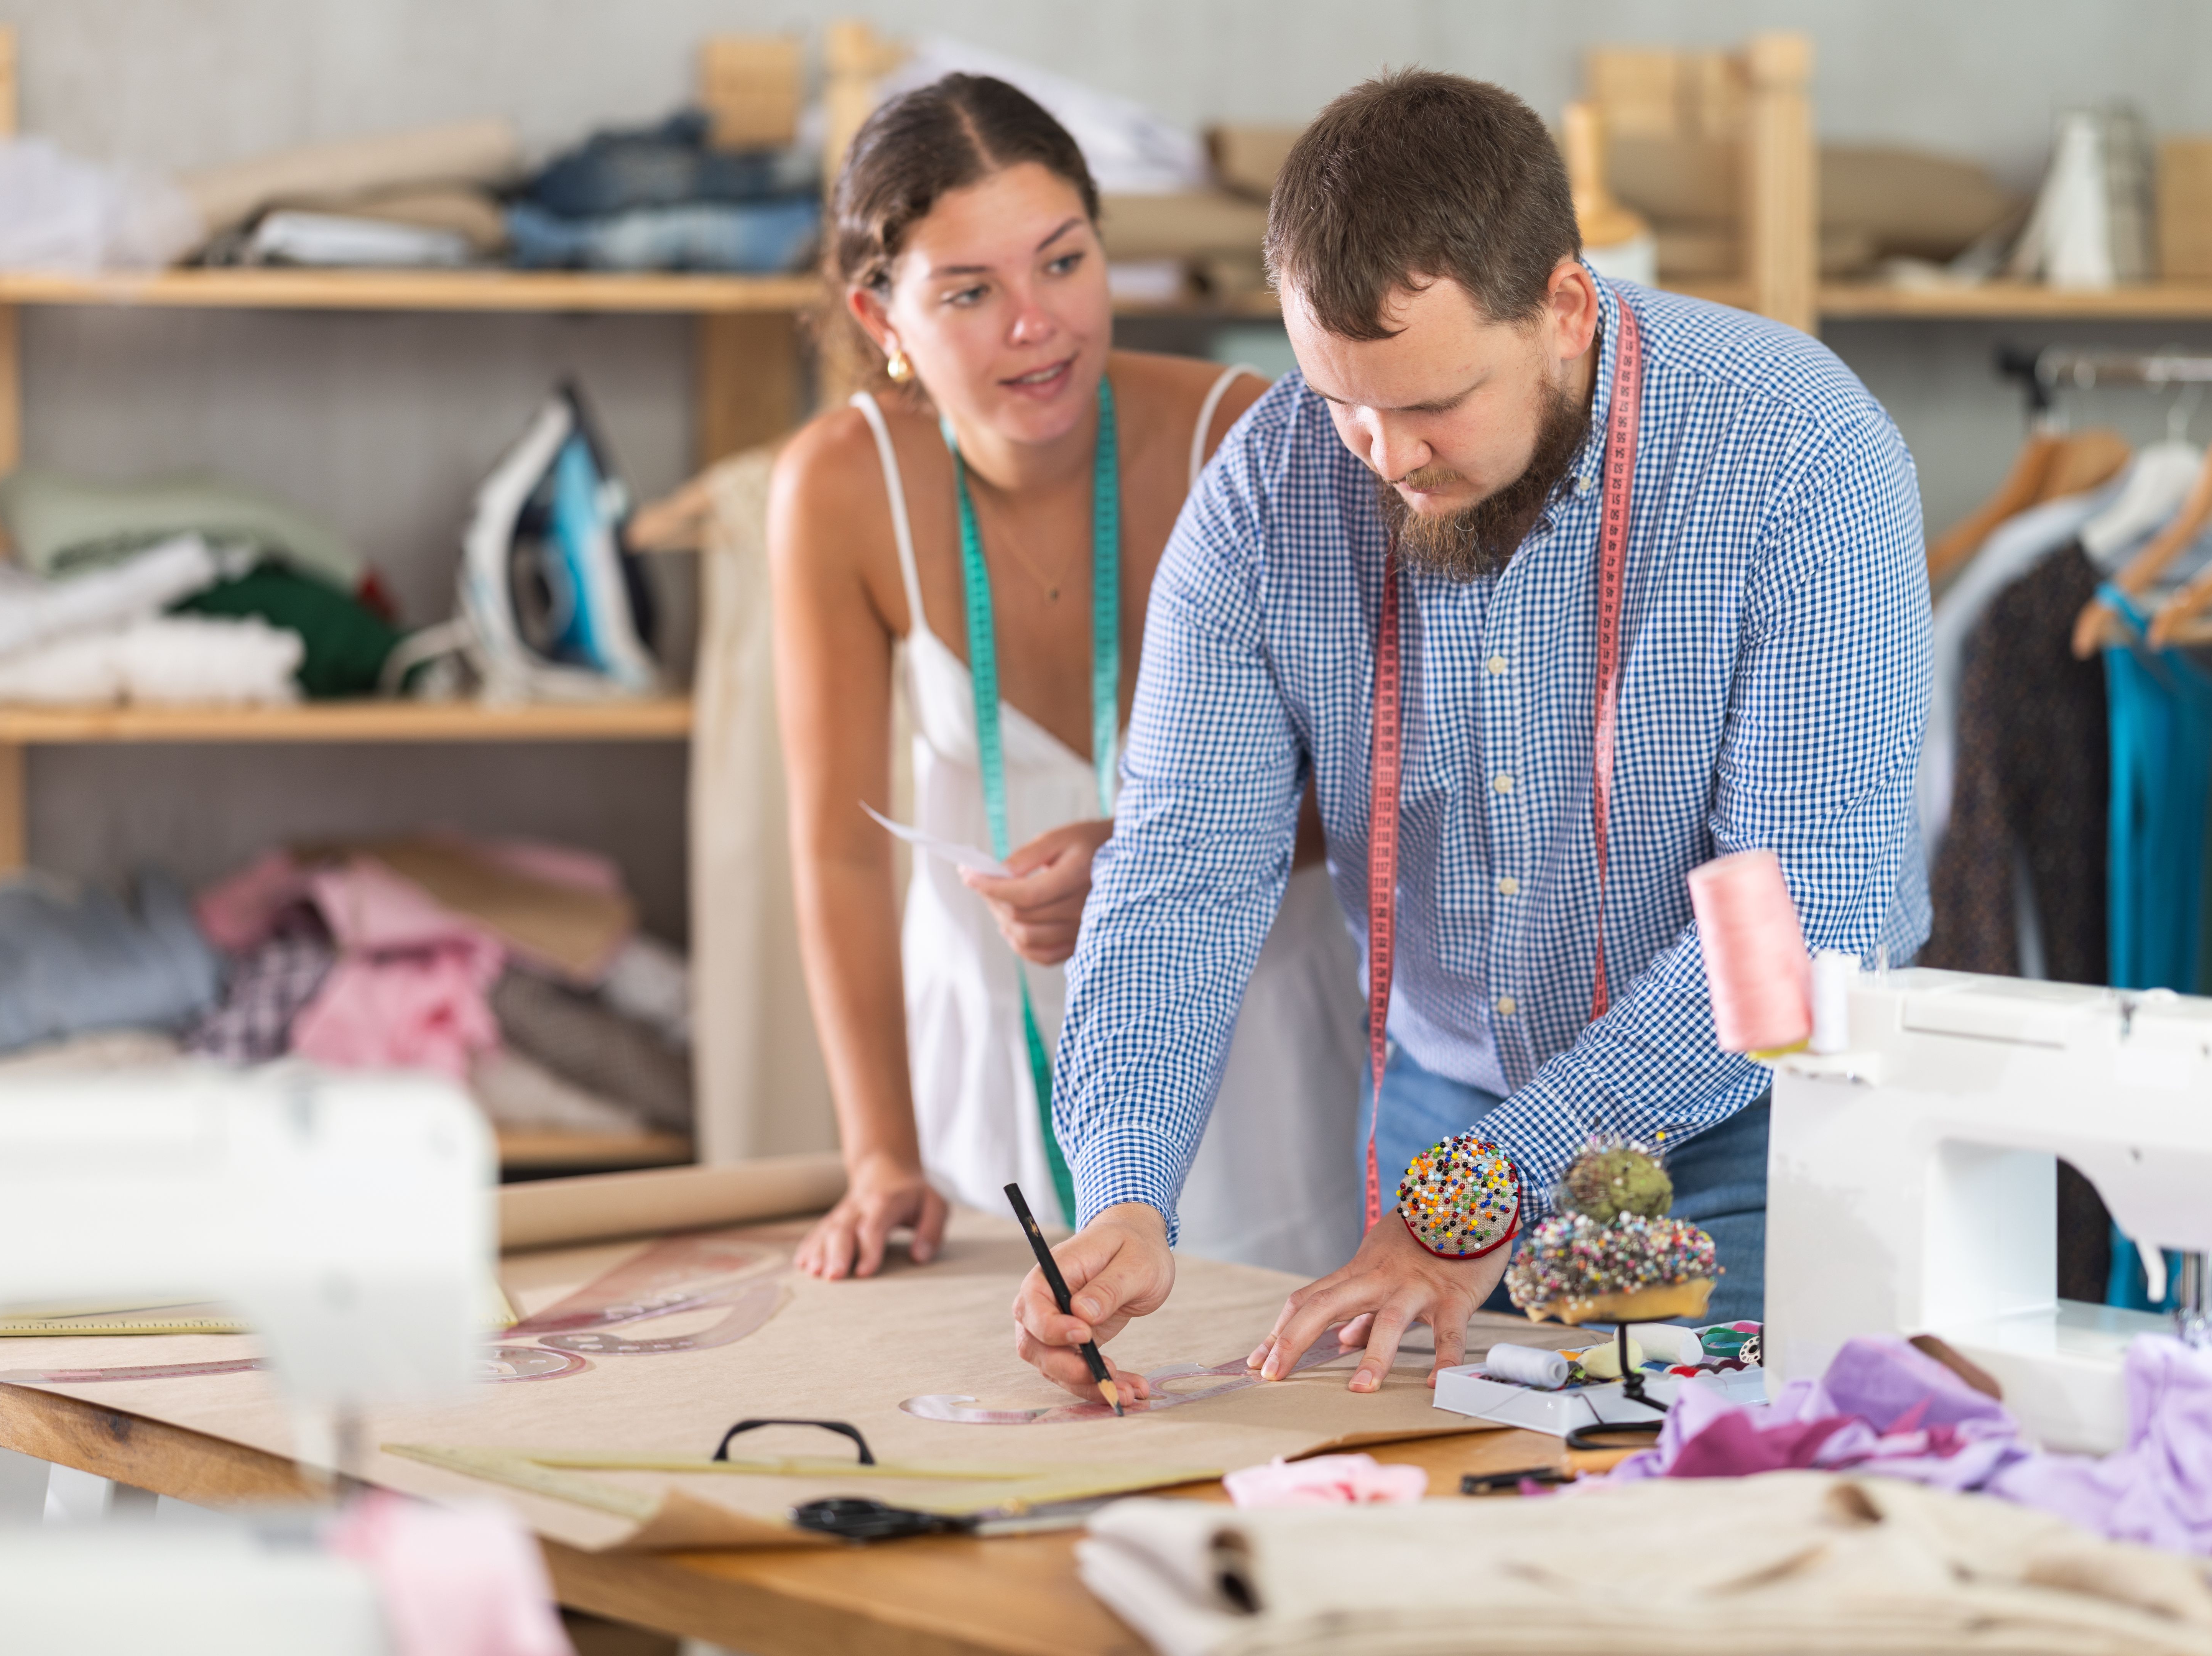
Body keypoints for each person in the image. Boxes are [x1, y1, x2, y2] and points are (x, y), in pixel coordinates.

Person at [1012, 70, 1930, 1405]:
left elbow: (1794, 930)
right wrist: (1128, 1196)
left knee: (1682, 1525)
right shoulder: (1269, 490)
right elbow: (1182, 869)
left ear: (1563, 306)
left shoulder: (1797, 456)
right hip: (1443, 1123)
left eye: (1434, 403)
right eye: (1341, 398)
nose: (1383, 453)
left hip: (1750, 1124)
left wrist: (1474, 1199)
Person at [769, 74, 1364, 1283]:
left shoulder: (1244, 443)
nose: (1035, 324)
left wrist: (1163, 854)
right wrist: (880, 1152)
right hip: (986, 1043)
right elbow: (834, 849)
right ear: (883, 320)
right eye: (969, 292)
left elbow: (1380, 785)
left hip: (1244, 1028)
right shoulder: (837, 488)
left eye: (1063, 262)